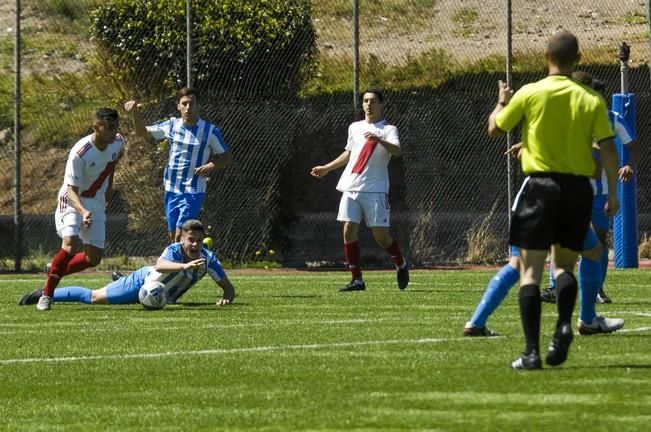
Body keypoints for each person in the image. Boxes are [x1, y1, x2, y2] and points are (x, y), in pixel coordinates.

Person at [488, 31, 620, 370]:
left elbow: (495, 129)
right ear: (579, 58)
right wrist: (614, 195)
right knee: (564, 267)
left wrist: (502, 101)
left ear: (546, 55)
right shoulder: (591, 99)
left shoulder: (531, 93)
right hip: (576, 190)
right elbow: (607, 148)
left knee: (531, 272)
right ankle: (564, 325)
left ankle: (531, 352)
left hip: (540, 186)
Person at [541, 73, 639, 305]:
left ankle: (596, 288)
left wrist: (629, 164)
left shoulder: (612, 118)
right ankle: (556, 288)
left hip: (601, 193)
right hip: (573, 189)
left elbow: (633, 147)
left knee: (598, 243)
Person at [310, 88, 409, 292]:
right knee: (348, 230)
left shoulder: (389, 129)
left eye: (373, 101)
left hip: (375, 190)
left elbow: (397, 151)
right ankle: (357, 280)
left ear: (381, 105)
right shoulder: (354, 127)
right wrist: (326, 168)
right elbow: (348, 153)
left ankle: (400, 263)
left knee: (381, 237)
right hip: (351, 186)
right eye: (365, 101)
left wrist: (379, 140)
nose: (368, 104)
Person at [19, 219, 235, 307]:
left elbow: (228, 288)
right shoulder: (174, 250)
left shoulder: (208, 259)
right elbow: (159, 265)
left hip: (158, 294)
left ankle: (121, 280)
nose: (195, 245)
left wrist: (226, 298)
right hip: (142, 282)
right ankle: (45, 293)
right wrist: (184, 266)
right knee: (93, 297)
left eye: (198, 241)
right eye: (191, 240)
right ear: (181, 239)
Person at [32, 108, 125, 311]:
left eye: (116, 126)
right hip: (73, 202)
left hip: (97, 202)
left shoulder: (118, 142)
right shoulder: (80, 152)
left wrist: (109, 186)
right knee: (70, 242)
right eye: (109, 127)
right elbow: (71, 190)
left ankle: (55, 270)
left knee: (94, 258)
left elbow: (113, 161)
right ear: (96, 127)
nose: (114, 131)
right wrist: (82, 211)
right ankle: (46, 295)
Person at [125, 87, 232, 243]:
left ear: (197, 106)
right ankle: (185, 264)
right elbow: (142, 132)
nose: (188, 108)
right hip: (171, 188)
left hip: (194, 189)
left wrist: (211, 165)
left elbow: (226, 157)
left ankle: (186, 265)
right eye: (184, 104)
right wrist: (134, 111)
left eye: (192, 104)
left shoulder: (209, 131)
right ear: (178, 106)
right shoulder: (172, 125)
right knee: (172, 236)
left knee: (180, 233)